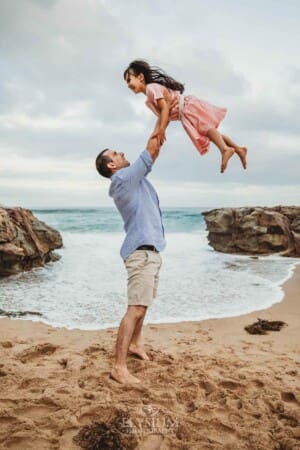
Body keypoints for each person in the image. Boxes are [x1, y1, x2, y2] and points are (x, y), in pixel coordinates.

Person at [95, 137, 166, 384]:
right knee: (135, 308)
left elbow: (157, 141)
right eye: (115, 153)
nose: (121, 151)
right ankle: (119, 367)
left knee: (142, 305)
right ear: (112, 166)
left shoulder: (134, 181)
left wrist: (163, 119)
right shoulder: (123, 179)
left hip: (150, 251)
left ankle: (135, 344)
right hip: (141, 253)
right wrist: (164, 107)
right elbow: (153, 148)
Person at [124, 59, 247, 174]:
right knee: (208, 133)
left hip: (187, 107)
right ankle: (238, 149)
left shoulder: (151, 89)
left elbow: (165, 108)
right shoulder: (149, 100)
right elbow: (163, 116)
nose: (128, 84)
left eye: (129, 80)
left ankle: (225, 149)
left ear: (140, 77)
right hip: (184, 113)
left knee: (206, 129)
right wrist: (156, 132)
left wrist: (161, 130)